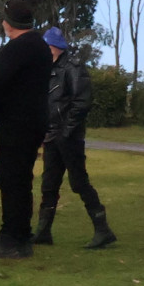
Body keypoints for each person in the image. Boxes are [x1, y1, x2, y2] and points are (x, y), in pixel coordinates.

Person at [0, 0, 53, 259]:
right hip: (32, 121)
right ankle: (18, 233)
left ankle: (11, 240)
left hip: (17, 123)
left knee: (11, 179)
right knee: (20, 178)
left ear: (9, 24)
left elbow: (1, 82)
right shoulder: (37, 45)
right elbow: (13, 73)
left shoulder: (17, 47)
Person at [36, 26, 117, 249]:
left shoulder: (72, 68)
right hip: (52, 135)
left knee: (79, 182)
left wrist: (66, 131)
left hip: (67, 136)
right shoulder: (47, 69)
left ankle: (103, 229)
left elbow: (82, 102)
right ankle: (43, 232)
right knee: (49, 184)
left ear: (52, 47)